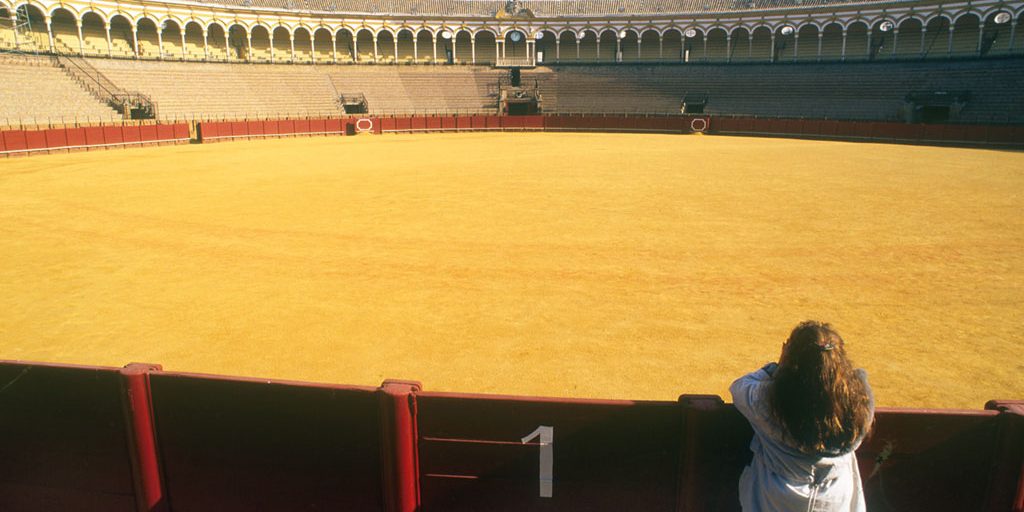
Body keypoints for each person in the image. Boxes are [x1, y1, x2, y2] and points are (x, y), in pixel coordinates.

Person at [730, 321, 875, 512]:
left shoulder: (768, 399)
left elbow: (740, 387)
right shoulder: (859, 399)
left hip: (777, 498)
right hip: (836, 499)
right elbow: (859, 377)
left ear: (789, 359)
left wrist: (778, 368)